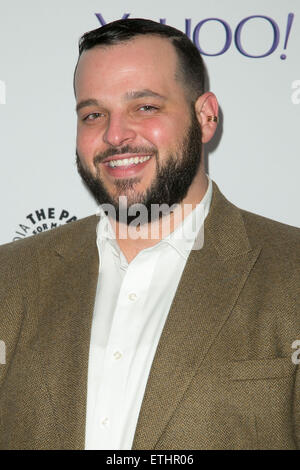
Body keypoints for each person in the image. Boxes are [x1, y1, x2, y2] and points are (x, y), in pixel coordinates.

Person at [0, 18, 299, 451]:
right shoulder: (10, 277)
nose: (115, 135)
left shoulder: (290, 270)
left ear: (206, 116)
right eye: (93, 114)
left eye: (145, 107)